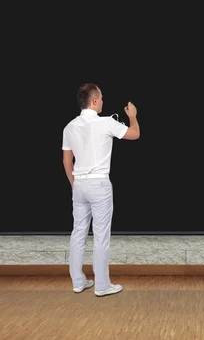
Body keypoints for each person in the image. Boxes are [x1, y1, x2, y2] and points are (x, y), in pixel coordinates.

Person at [62, 83, 140, 297]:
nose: (103, 102)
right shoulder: (106, 123)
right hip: (99, 184)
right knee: (101, 235)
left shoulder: (69, 127)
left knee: (78, 232)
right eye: (102, 98)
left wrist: (74, 184)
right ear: (94, 101)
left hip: (79, 184)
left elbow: (67, 162)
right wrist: (132, 116)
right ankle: (102, 285)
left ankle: (78, 281)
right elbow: (134, 134)